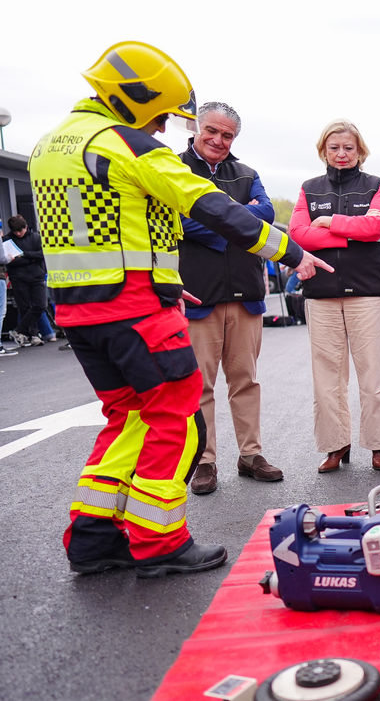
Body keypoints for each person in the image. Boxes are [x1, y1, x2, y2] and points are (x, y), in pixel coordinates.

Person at [29, 41, 331, 577]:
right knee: (178, 420)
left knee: (128, 420)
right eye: (162, 115)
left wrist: (164, 281)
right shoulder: (127, 144)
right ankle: (160, 542)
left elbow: (104, 229)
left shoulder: (49, 146)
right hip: (134, 312)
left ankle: (93, 538)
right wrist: (291, 252)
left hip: (80, 311)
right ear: (136, 99)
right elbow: (212, 207)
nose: (164, 127)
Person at [178, 101, 283, 494]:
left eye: (227, 135)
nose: (218, 140)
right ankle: (204, 461)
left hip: (245, 293)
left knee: (246, 381)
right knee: (199, 386)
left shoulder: (247, 174)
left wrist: (213, 220)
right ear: (196, 127)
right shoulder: (174, 169)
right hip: (197, 295)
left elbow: (267, 213)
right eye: (212, 131)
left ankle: (250, 454)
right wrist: (239, 221)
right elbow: (179, 222)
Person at [289, 119, 380, 473]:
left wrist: (328, 222)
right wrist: (351, 234)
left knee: (373, 376)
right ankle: (336, 446)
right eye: (334, 148)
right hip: (321, 295)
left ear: (360, 151)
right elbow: (298, 235)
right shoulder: (309, 189)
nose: (341, 154)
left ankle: (379, 445)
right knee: (327, 380)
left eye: (348, 148)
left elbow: (376, 225)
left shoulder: (375, 185)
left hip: (368, 293)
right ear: (323, 151)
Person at [4, 215, 47, 347]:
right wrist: (32, 258)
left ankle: (19, 330)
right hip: (18, 278)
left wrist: (24, 255)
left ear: (26, 227)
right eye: (15, 231)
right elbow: (9, 261)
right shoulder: (7, 240)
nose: (18, 233)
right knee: (24, 307)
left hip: (36, 276)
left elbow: (43, 254)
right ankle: (33, 335)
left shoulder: (36, 237)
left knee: (40, 305)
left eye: (20, 230)